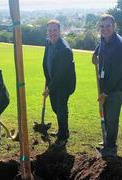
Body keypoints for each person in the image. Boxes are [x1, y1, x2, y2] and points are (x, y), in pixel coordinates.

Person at [92, 14, 122, 158]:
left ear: (114, 26)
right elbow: (100, 46)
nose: (105, 29)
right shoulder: (104, 39)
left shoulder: (121, 45)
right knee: (105, 114)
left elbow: (117, 73)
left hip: (115, 88)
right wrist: (95, 54)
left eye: (108, 26)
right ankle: (107, 139)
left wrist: (105, 93)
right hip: (104, 84)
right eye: (102, 26)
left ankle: (111, 147)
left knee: (112, 117)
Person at [42, 20, 76, 149]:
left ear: (59, 31)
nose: (52, 33)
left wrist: (49, 88)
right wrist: (48, 80)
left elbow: (61, 74)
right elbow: (46, 62)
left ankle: (63, 136)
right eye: (50, 30)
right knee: (56, 108)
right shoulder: (48, 43)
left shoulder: (65, 50)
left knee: (60, 109)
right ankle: (63, 129)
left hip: (64, 84)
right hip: (52, 82)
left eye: (55, 30)